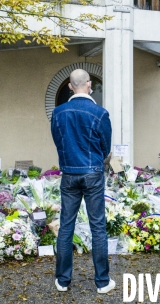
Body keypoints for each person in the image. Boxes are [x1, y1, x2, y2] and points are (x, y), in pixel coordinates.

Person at [50, 69, 114, 294]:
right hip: (93, 172)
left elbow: (58, 141)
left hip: (69, 172)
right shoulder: (100, 113)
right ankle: (102, 282)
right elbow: (106, 146)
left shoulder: (58, 113)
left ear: (69, 86)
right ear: (88, 85)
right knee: (98, 226)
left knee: (66, 225)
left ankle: (63, 280)